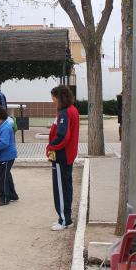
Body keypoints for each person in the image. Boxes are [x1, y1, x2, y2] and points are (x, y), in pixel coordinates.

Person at [46, 85, 79, 231]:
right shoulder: (71, 109)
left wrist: (50, 147)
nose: (53, 100)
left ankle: (64, 220)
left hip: (62, 155)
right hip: (67, 155)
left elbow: (62, 136)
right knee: (66, 186)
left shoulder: (65, 112)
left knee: (60, 188)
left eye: (54, 97)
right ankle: (66, 218)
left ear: (60, 97)